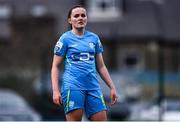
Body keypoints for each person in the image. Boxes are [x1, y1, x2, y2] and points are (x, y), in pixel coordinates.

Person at [51, 5, 118, 121]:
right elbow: (55, 66)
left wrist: (112, 87)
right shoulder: (65, 39)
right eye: (76, 16)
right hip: (73, 87)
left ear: (87, 18)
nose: (80, 18)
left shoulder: (94, 38)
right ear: (70, 20)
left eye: (83, 15)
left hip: (93, 87)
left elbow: (101, 66)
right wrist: (55, 91)